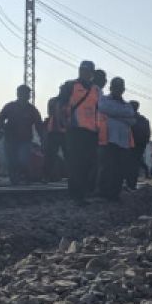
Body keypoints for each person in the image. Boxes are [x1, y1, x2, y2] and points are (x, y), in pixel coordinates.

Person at [57, 61, 101, 204]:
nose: (84, 73)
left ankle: (82, 192)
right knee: (76, 163)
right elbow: (60, 104)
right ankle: (76, 195)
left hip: (91, 132)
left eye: (87, 71)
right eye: (82, 70)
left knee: (88, 163)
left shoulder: (96, 90)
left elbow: (99, 109)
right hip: (75, 130)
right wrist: (62, 122)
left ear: (92, 73)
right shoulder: (70, 86)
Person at [97, 77, 137, 202]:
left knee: (120, 169)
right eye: (116, 87)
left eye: (120, 88)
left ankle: (114, 193)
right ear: (111, 88)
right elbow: (104, 108)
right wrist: (122, 114)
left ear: (123, 89)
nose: (118, 90)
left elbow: (132, 119)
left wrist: (114, 114)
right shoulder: (104, 100)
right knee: (108, 167)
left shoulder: (127, 105)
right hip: (108, 139)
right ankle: (103, 192)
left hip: (123, 142)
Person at [0, 84, 44, 185]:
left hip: (25, 140)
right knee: (11, 160)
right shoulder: (10, 107)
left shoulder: (32, 109)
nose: (26, 95)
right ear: (18, 94)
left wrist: (43, 137)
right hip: (10, 138)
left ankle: (24, 176)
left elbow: (39, 125)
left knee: (23, 159)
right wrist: (1, 127)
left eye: (27, 94)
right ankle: (14, 179)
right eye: (24, 93)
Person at [127, 100, 152, 190]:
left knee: (126, 165)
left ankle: (127, 184)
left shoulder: (127, 118)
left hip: (128, 145)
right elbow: (147, 134)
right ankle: (131, 184)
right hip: (139, 146)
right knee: (135, 165)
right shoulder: (144, 120)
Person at [42, 95, 67, 181]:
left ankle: (47, 176)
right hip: (56, 131)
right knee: (51, 155)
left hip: (58, 132)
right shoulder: (56, 101)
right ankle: (47, 175)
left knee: (51, 155)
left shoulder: (53, 101)